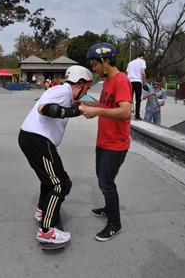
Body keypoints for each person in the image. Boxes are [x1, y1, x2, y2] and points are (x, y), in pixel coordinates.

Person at [18, 65, 93, 244]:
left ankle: (41, 210)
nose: (85, 93)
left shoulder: (65, 94)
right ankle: (46, 230)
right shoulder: (62, 91)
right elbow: (44, 108)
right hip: (38, 140)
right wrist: (75, 111)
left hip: (32, 139)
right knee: (61, 184)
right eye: (86, 89)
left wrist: (82, 106)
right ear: (80, 84)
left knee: (49, 180)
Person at [79, 42, 132, 242]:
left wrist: (97, 112)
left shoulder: (121, 81)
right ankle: (108, 208)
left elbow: (125, 111)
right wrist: (83, 103)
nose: (94, 68)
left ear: (106, 61)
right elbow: (105, 104)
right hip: (103, 141)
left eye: (95, 64)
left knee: (107, 183)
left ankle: (115, 223)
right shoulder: (108, 82)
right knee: (103, 181)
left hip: (115, 144)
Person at [126, 52, 147, 120]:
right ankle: (137, 115)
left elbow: (127, 73)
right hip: (138, 81)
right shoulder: (142, 61)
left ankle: (128, 114)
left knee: (129, 99)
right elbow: (143, 73)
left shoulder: (130, 63)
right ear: (142, 57)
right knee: (138, 99)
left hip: (130, 82)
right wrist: (144, 82)